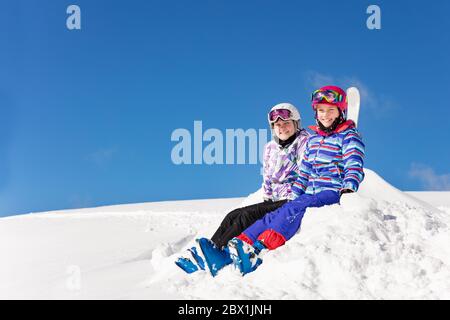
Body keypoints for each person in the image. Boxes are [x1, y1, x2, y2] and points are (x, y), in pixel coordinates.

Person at [227, 85, 366, 275]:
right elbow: (304, 172)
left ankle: (261, 248)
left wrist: (349, 188)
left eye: (331, 110)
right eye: (321, 110)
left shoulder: (349, 136)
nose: (325, 115)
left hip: (332, 190)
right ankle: (243, 242)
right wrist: (295, 193)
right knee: (276, 213)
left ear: (340, 111)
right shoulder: (314, 139)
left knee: (294, 208)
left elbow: (354, 164)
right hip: (311, 192)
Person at [175, 103, 310, 275]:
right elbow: (267, 176)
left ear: (296, 123)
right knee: (233, 215)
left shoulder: (305, 142)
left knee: (245, 217)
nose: (282, 128)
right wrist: (267, 198)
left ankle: (219, 253)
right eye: (278, 125)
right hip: (274, 200)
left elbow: (305, 171)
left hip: (292, 197)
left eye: (286, 123)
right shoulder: (270, 148)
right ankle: (210, 250)